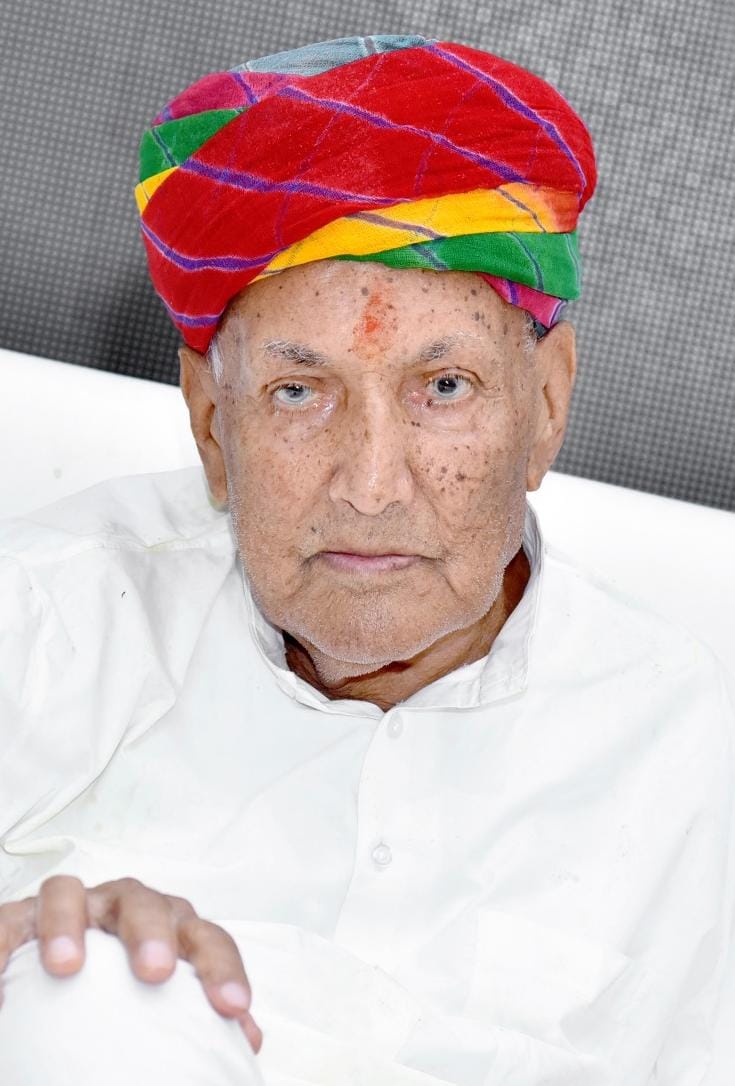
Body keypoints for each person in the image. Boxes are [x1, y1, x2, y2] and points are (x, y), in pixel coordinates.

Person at [1, 32, 733, 1086]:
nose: (373, 484)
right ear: (211, 424)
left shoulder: (684, 745)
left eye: (444, 388)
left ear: (546, 407)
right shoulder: (49, 621)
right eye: (299, 393)